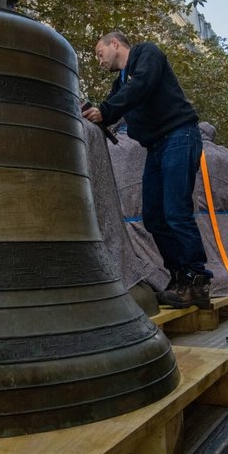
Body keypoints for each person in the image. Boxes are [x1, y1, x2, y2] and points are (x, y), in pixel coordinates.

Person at [83, 31, 212, 309]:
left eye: (99, 52)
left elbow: (141, 86)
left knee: (176, 212)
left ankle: (198, 281)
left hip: (179, 136)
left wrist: (104, 109)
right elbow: (113, 110)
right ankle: (179, 278)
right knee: (154, 216)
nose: (99, 60)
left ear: (114, 44)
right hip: (155, 147)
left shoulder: (146, 54)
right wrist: (93, 114)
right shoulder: (120, 83)